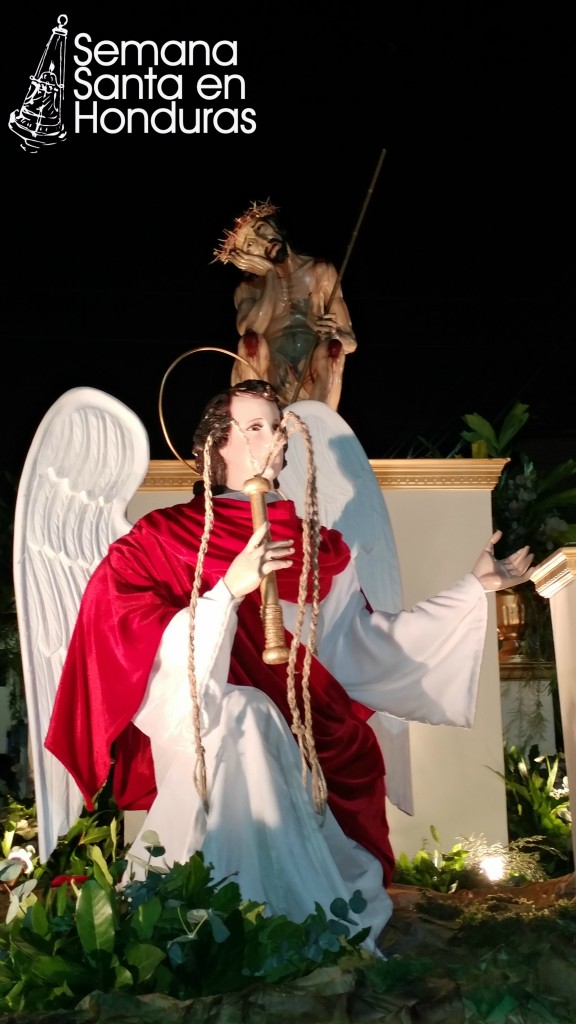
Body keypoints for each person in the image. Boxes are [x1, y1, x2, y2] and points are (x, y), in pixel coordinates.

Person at [44, 380, 534, 954]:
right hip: (206, 727)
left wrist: (472, 590)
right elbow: (122, 640)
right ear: (216, 447)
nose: (271, 439)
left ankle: (294, 930)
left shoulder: (317, 545)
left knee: (295, 732)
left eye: (276, 426)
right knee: (247, 716)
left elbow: (365, 642)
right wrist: (227, 590)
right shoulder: (164, 538)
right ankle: (243, 928)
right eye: (253, 427)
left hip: (310, 728)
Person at [213, 201, 357, 410]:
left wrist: (335, 333)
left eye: (261, 229)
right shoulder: (248, 289)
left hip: (312, 371)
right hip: (270, 376)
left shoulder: (320, 270)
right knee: (251, 344)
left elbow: (350, 342)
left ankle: (322, 421)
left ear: (274, 224)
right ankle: (258, 417)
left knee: (333, 349)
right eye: (251, 245)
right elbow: (250, 330)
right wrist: (271, 275)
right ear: (246, 259)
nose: (263, 241)